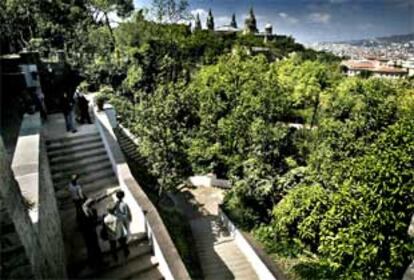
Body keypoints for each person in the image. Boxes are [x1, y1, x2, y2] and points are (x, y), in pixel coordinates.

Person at [78, 198, 103, 269]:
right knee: (95, 248)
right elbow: (90, 222)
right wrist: (99, 221)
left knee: (90, 249)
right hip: (90, 232)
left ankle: (93, 263)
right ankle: (99, 263)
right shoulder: (87, 212)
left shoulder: (82, 209)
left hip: (86, 233)